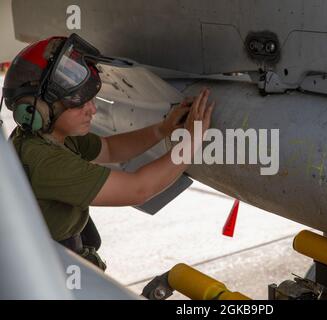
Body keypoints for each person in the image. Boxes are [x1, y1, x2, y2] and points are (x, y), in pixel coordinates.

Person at [1, 33, 214, 270]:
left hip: (64, 257)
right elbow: (138, 189)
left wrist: (162, 129)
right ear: (39, 109)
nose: (92, 110)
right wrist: (191, 142)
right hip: (47, 272)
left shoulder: (51, 136)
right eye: (80, 103)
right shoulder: (44, 161)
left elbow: (111, 149)